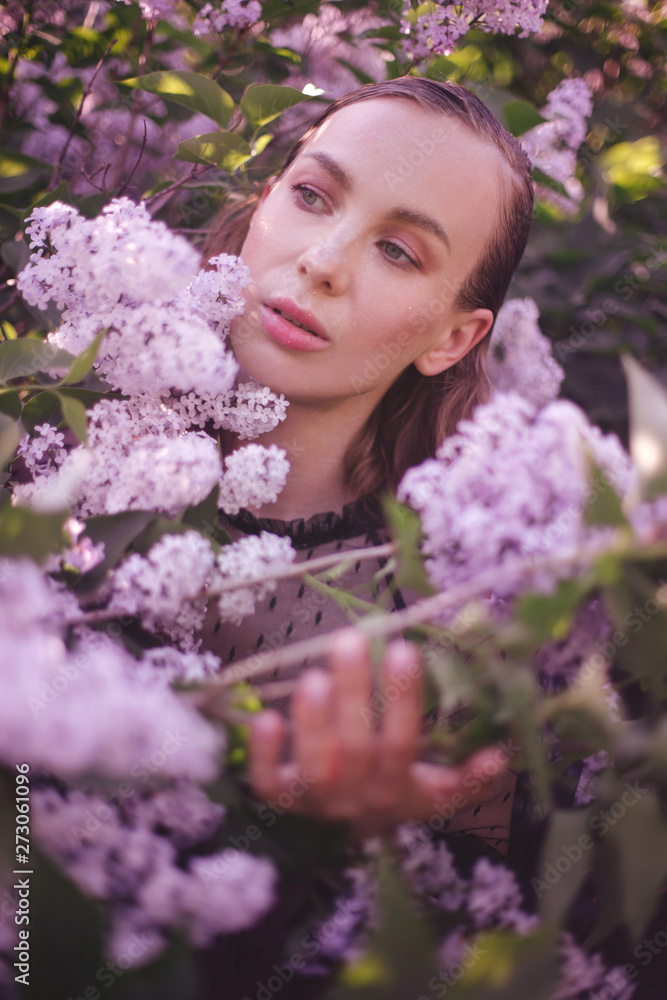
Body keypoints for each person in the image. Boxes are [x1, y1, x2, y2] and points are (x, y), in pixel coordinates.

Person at [196, 76, 534, 998]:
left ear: (453, 337)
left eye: (397, 250)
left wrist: (322, 849)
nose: (324, 260)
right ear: (264, 202)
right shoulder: (38, 433)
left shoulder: (437, 633)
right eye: (311, 196)